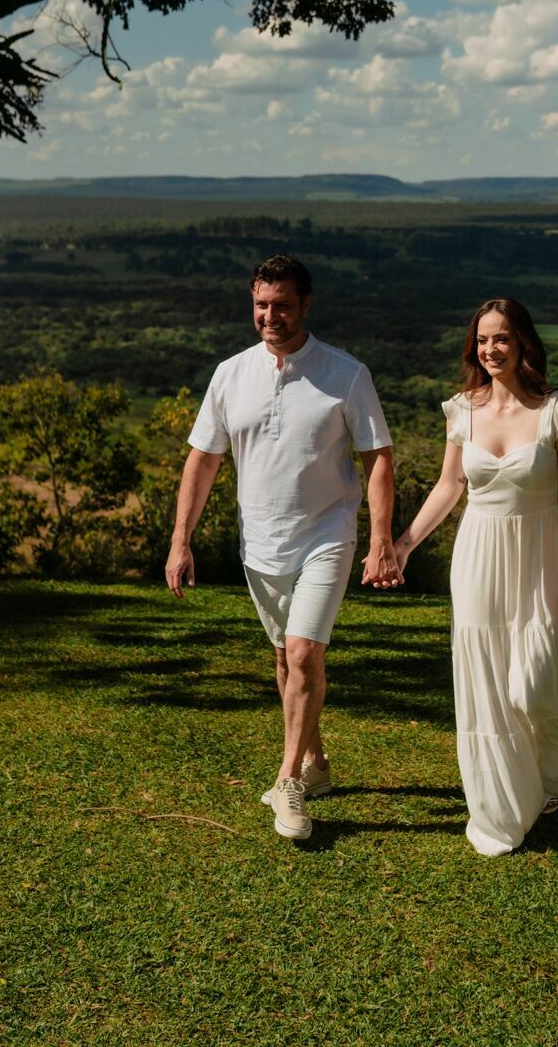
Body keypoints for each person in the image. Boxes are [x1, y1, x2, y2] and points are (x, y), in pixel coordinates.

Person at [165, 254, 399, 841]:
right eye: (262, 305)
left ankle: (289, 782)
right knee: (286, 656)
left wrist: (379, 540)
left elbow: (378, 460)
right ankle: (316, 760)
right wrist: (180, 541)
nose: (271, 315)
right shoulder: (229, 374)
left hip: (327, 535)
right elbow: (204, 459)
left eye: (283, 305)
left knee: (300, 655)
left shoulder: (346, 373)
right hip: (259, 543)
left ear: (306, 305)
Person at [391, 296, 558, 856]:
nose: (491, 349)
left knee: (531, 680)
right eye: (482, 340)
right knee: (486, 683)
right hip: (478, 557)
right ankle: (501, 805)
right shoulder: (462, 410)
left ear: (523, 341)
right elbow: (449, 486)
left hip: (538, 559)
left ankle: (549, 772)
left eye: (501, 338)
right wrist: (403, 545)